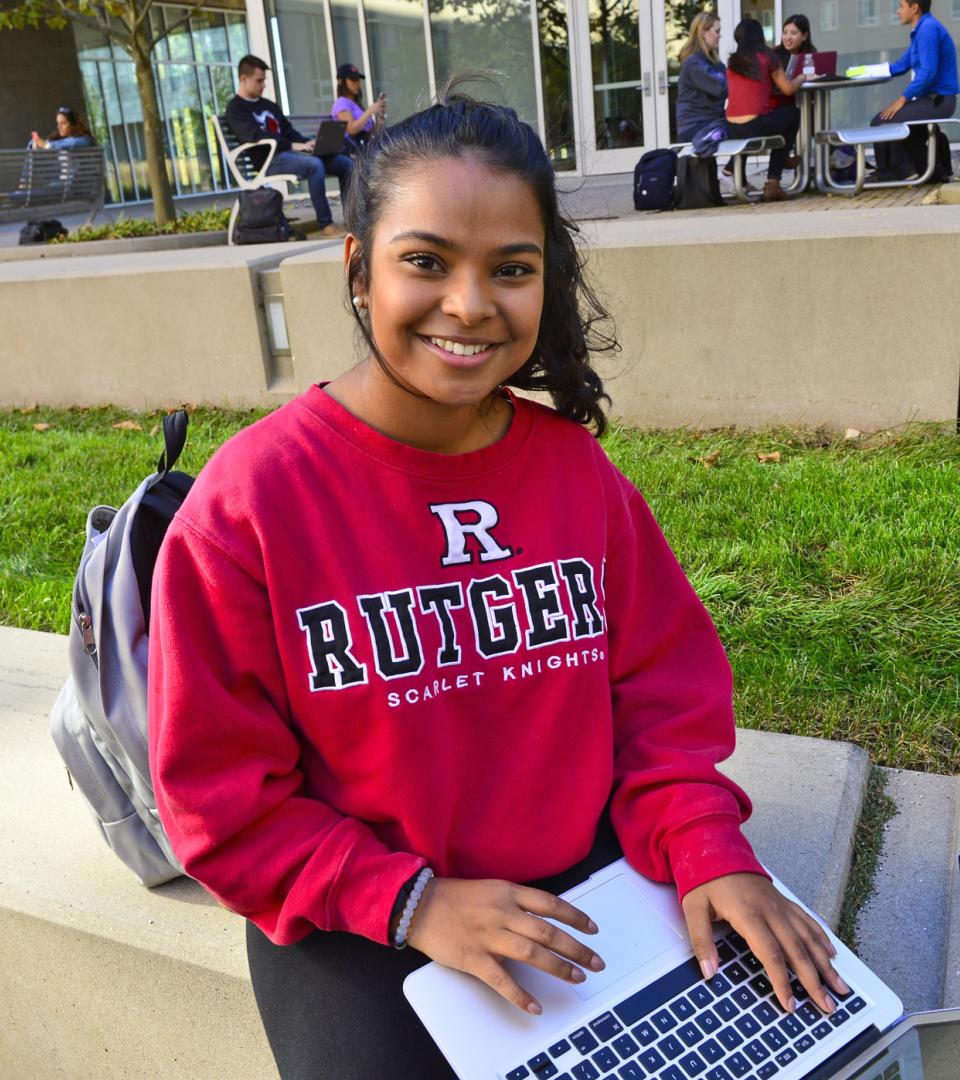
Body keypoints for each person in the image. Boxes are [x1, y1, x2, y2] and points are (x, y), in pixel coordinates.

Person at [148, 88, 848, 1079]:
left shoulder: (574, 475)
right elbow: (223, 807)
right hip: (363, 917)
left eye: (510, 270)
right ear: (359, 268)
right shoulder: (249, 508)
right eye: (425, 261)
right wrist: (415, 904)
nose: (471, 305)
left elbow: (660, 696)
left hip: (579, 882)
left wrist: (706, 846)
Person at [225, 54, 352, 238]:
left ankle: (353, 220)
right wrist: (293, 145)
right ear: (243, 79)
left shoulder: (269, 105)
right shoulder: (236, 109)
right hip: (268, 161)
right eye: (259, 81)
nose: (264, 85)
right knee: (314, 165)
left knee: (345, 164)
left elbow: (287, 130)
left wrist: (305, 143)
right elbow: (253, 137)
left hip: (289, 155)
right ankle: (327, 225)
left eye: (264, 80)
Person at [870, 0, 958, 182]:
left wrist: (903, 99)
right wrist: (867, 71)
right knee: (895, 124)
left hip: (939, 100)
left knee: (880, 122)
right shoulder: (922, 30)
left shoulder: (927, 30)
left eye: (901, 6)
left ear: (914, 7)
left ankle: (892, 172)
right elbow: (902, 65)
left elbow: (928, 72)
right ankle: (918, 171)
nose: (897, 11)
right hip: (933, 99)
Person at [726, 18, 806, 202]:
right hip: (755, 125)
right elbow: (788, 89)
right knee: (791, 114)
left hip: (731, 127)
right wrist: (802, 77)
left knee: (775, 121)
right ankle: (773, 182)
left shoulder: (733, 61)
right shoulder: (767, 56)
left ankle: (781, 159)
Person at [771, 14, 816, 166]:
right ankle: (788, 158)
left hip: (806, 104)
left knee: (816, 119)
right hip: (780, 106)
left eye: (793, 33)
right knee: (794, 116)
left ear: (804, 36)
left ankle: (821, 164)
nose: (787, 37)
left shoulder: (811, 54)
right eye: (785, 32)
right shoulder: (775, 55)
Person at [675, 12, 726, 143]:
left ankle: (733, 164)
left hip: (711, 122)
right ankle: (733, 165)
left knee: (746, 127)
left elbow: (730, 82)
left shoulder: (715, 63)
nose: (720, 36)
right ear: (703, 32)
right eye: (717, 31)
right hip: (695, 126)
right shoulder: (694, 64)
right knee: (741, 130)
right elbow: (722, 88)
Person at [331, 62, 387, 154]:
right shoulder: (341, 102)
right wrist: (370, 111)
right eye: (353, 80)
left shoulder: (356, 104)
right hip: (352, 150)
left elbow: (374, 132)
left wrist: (381, 115)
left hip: (366, 146)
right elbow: (351, 130)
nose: (357, 84)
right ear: (341, 81)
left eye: (358, 80)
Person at [30, 106, 95, 150]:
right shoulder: (59, 141)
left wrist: (47, 145)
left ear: (73, 124)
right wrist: (36, 143)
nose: (59, 127)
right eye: (58, 123)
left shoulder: (84, 140)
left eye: (63, 123)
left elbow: (73, 143)